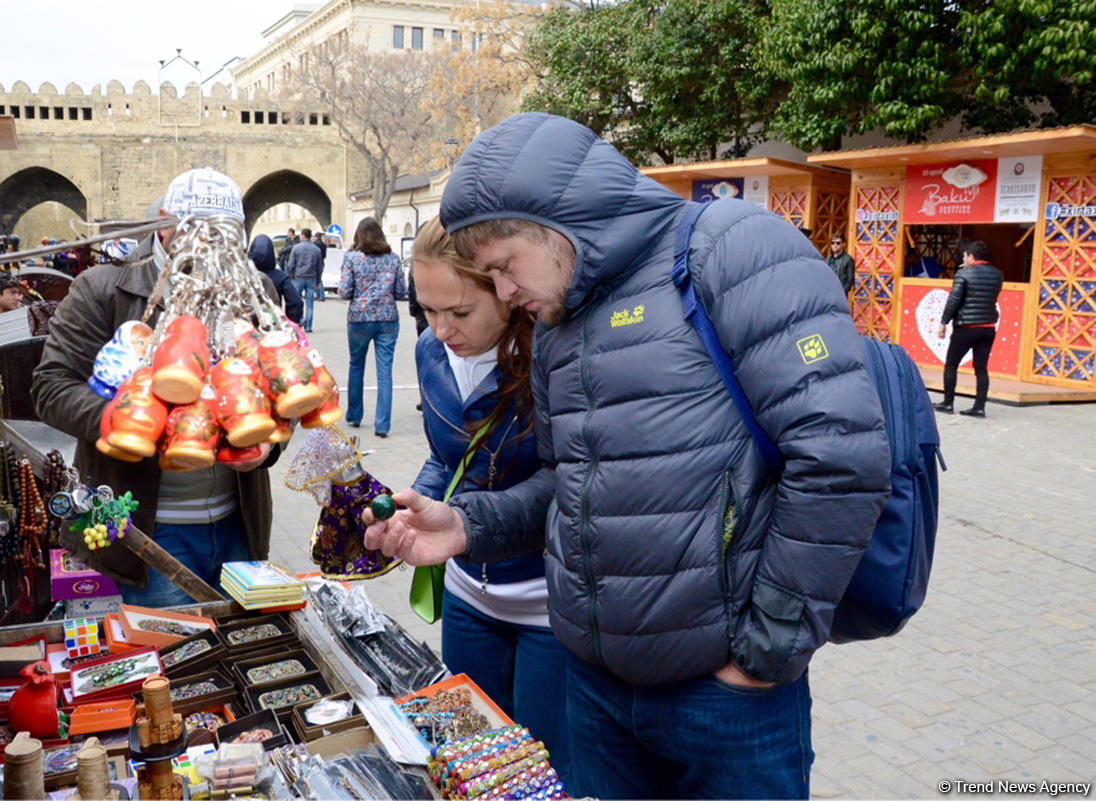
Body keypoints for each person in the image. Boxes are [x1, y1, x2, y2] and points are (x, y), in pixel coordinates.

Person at [364, 113, 891, 800]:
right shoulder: (557, 323)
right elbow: (564, 483)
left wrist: (767, 651)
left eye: (501, 267)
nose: (502, 294)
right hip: (598, 690)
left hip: (726, 697)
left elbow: (840, 455)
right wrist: (467, 525)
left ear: (551, 224)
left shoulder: (732, 249)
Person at [32, 167, 281, 608]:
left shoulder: (253, 290)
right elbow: (51, 388)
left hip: (237, 525)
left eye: (225, 237)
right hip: (141, 531)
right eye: (199, 235)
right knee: (169, 664)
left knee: (233, 656)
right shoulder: (103, 290)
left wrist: (268, 443)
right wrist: (129, 421)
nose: (213, 249)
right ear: (165, 226)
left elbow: (278, 389)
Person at [410, 217, 571, 785]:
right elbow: (447, 458)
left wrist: (460, 521)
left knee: (539, 776)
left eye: (458, 312)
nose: (441, 329)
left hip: (546, 607)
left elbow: (567, 479)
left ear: (505, 291)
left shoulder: (551, 355)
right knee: (466, 768)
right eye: (427, 310)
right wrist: (410, 508)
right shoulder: (429, 352)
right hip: (466, 598)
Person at [338, 216, 406, 438]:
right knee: (385, 370)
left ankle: (355, 415)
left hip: (359, 318)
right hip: (388, 319)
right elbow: (400, 291)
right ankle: (382, 425)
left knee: (356, 365)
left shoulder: (352, 258)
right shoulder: (394, 259)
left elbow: (344, 291)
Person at [934, 240, 1002, 418]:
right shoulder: (997, 274)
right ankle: (979, 407)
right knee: (981, 367)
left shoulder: (963, 273)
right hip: (988, 327)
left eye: (964, 255)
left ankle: (948, 403)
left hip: (966, 327)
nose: (962, 258)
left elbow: (954, 300)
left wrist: (943, 323)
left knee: (951, 364)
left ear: (970, 256)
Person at [249, 233, 304, 325]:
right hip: (274, 324)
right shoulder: (281, 277)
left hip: (248, 327)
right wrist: (290, 322)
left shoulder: (243, 276)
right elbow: (295, 302)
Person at [285, 228, 323, 332]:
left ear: (302, 236)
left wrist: (291, 276)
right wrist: (318, 281)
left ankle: (299, 321)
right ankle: (308, 327)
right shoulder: (316, 249)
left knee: (296, 301)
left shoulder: (296, 248)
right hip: (311, 278)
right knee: (310, 304)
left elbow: (290, 265)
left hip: (299, 278)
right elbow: (320, 267)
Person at [826, 231, 855, 296]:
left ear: (844, 244)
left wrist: (842, 292)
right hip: (828, 293)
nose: (835, 245)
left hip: (841, 295)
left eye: (838, 243)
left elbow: (850, 280)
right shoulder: (828, 259)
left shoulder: (848, 260)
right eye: (832, 243)